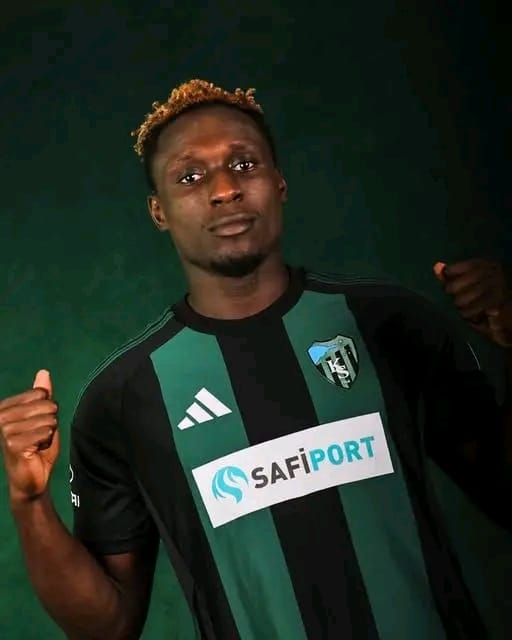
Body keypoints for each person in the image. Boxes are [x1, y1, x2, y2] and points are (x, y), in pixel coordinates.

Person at [0, 79, 511, 640]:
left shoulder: (389, 322)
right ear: (158, 211)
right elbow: (107, 627)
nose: (224, 189)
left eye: (244, 165)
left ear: (280, 182)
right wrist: (29, 502)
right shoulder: (124, 398)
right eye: (190, 176)